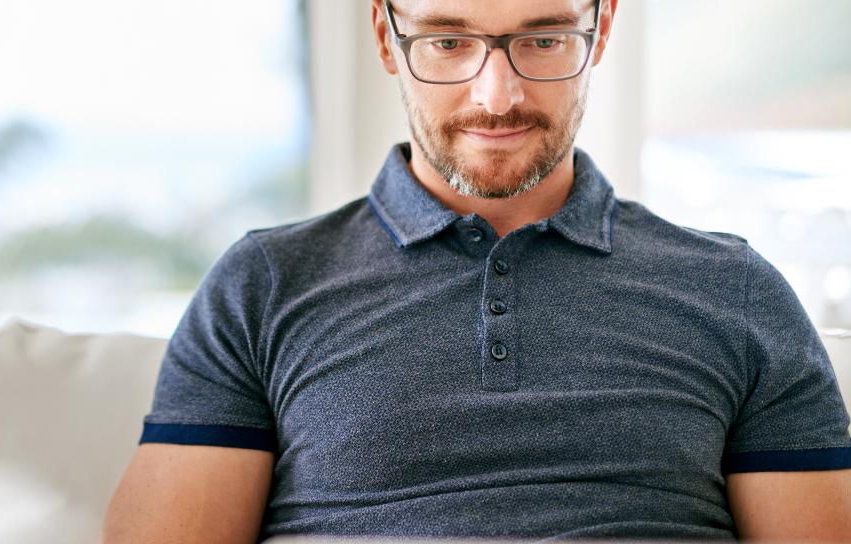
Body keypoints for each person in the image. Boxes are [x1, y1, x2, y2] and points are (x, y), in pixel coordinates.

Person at [102, 0, 851, 542]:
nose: (499, 97)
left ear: (604, 27)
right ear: (387, 37)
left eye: (546, 39)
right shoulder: (261, 286)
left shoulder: (736, 291)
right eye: (449, 41)